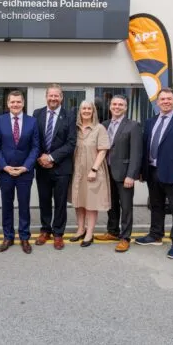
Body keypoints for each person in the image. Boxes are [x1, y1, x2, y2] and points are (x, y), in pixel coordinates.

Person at [135, 88, 173, 259]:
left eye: (169, 99)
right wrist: (142, 170)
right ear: (157, 102)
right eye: (162, 99)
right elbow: (145, 148)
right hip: (152, 171)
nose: (166, 102)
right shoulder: (150, 122)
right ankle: (155, 235)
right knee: (156, 205)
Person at [0, 90, 39, 254]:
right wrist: (4, 166)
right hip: (5, 172)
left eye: (18, 102)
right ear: (7, 104)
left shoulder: (32, 122)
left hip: (24, 172)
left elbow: (35, 147)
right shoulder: (0, 121)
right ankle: (8, 236)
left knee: (24, 205)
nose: (15, 105)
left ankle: (24, 237)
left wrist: (25, 166)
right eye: (12, 102)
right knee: (7, 205)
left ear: (23, 103)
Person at [94, 95, 142, 252]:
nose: (117, 107)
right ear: (110, 107)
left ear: (126, 107)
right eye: (114, 104)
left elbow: (136, 152)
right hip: (106, 172)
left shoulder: (133, 126)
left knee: (126, 207)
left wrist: (131, 175)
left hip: (124, 174)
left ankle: (125, 237)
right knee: (111, 204)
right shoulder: (104, 124)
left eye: (121, 104)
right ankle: (112, 231)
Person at [33, 84, 76, 250]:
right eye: (50, 96)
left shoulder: (69, 115)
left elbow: (71, 142)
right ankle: (45, 230)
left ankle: (58, 233)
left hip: (61, 168)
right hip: (41, 167)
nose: (53, 99)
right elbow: (34, 140)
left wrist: (51, 157)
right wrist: (41, 158)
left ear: (61, 97)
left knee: (60, 203)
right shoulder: (37, 114)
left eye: (56, 96)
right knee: (44, 201)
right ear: (46, 96)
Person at [68, 101, 111, 247]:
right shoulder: (74, 128)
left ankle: (89, 233)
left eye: (89, 109)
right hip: (77, 170)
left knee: (91, 203)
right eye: (83, 108)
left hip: (93, 171)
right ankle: (80, 229)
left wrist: (94, 169)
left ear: (93, 111)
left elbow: (103, 150)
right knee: (79, 201)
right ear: (79, 111)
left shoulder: (99, 128)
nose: (86, 111)